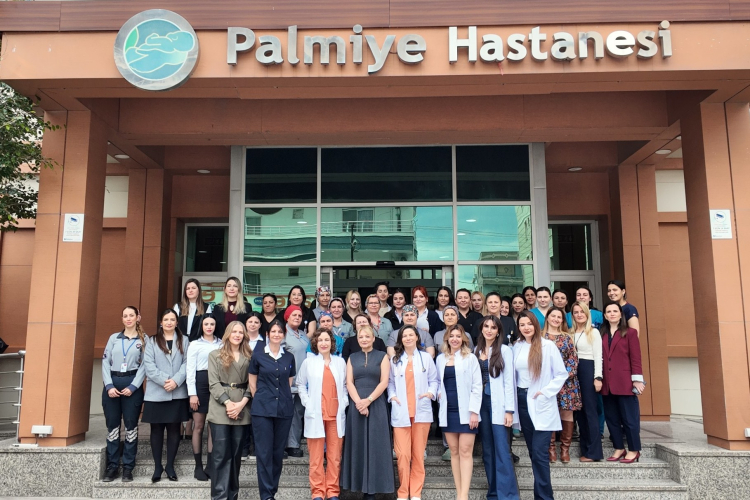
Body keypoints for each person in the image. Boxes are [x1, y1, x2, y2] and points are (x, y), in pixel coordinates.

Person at [512, 311, 567, 500]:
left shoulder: (547, 346)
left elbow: (561, 374)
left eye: (529, 323)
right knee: (533, 452)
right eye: (522, 324)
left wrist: (545, 391)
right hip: (522, 400)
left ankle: (544, 497)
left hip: (541, 401)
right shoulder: (516, 346)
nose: (526, 327)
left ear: (536, 324)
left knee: (539, 452)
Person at [341, 326, 394, 500]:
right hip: (356, 406)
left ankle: (372, 490)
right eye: (361, 337)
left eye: (367, 336)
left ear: (373, 338)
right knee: (358, 444)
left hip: (376, 404)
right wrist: (359, 402)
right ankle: (359, 486)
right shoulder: (352, 358)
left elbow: (384, 382)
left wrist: (368, 401)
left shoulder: (382, 356)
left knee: (376, 445)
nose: (364, 339)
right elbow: (349, 382)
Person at [296, 328, 349, 500]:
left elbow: (346, 385)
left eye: (327, 340)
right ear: (315, 343)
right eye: (320, 340)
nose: (324, 343)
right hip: (316, 413)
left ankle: (332, 491)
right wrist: (307, 402)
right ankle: (318, 492)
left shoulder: (340, 362)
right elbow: (300, 384)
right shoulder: (309, 362)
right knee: (316, 457)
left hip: (335, 414)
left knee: (334, 457)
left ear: (332, 343)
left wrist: (344, 401)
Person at [388, 325, 439, 500]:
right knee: (402, 455)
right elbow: (390, 383)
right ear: (401, 339)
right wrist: (392, 396)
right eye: (405, 336)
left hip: (421, 413)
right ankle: (403, 492)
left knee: (418, 454)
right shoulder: (395, 360)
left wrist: (430, 393)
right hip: (401, 411)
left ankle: (415, 492)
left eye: (411, 335)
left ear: (417, 337)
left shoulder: (426, 358)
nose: (408, 338)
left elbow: (434, 380)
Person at [248, 319, 296, 500]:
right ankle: (266, 495)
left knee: (277, 453)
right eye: (273, 331)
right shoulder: (258, 356)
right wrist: (263, 399)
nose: (276, 334)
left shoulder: (289, 357)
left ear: (284, 334)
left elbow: (288, 383)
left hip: (284, 410)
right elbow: (252, 384)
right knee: (264, 453)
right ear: (267, 334)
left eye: (280, 331)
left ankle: (272, 491)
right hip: (262, 411)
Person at [142, 309, 190, 482]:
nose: (169, 322)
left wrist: (176, 381)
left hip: (177, 392)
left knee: (174, 430)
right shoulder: (152, 341)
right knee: (156, 430)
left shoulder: (184, 340)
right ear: (161, 322)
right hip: (156, 393)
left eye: (172, 319)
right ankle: (157, 467)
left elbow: (187, 364)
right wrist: (165, 380)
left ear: (177, 323)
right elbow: (149, 366)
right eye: (166, 319)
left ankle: (170, 466)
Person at [436, 325, 483, 500]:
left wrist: (474, 412)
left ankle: (464, 495)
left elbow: (477, 386)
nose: (454, 339)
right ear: (447, 339)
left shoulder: (470, 358)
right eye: (451, 336)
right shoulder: (440, 359)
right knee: (454, 451)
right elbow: (437, 381)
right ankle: (458, 492)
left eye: (458, 336)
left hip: (467, 411)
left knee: (465, 451)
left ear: (463, 339)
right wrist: (438, 393)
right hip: (448, 411)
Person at [474, 316, 519, 500]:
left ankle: (508, 495)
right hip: (482, 405)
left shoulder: (505, 350)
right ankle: (493, 493)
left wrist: (509, 410)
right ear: (481, 329)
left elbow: (509, 382)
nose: (489, 330)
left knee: (501, 449)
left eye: (493, 327)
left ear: (498, 331)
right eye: (486, 326)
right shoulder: (476, 350)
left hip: (499, 404)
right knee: (487, 450)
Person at [101, 306, 147, 483]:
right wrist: (109, 386)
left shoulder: (143, 339)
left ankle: (128, 467)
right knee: (113, 427)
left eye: (131, 315)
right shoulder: (114, 338)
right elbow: (105, 362)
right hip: (113, 384)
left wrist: (134, 386)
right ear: (122, 319)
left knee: (131, 427)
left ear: (137, 317)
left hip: (132, 385)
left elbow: (145, 365)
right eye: (125, 316)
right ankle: (112, 466)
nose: (128, 318)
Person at [207, 321, 252, 500]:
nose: (237, 335)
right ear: (227, 334)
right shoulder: (215, 355)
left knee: (235, 456)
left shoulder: (250, 356)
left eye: (240, 332)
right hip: (220, 407)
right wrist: (228, 403)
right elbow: (213, 383)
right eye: (234, 331)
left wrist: (241, 404)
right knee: (220, 455)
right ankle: (219, 496)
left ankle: (232, 496)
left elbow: (253, 383)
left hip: (242, 407)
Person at [601, 302, 644, 464]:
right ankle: (619, 448)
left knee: (629, 419)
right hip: (607, 384)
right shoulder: (601, 333)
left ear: (620, 314)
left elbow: (636, 357)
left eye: (615, 311)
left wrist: (637, 379)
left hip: (625, 382)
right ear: (605, 316)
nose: (612, 314)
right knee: (611, 419)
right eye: (609, 311)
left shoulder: (630, 333)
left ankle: (634, 449)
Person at [541, 307, 581, 463]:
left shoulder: (567, 337)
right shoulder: (540, 336)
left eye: (559, 317)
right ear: (547, 317)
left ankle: (565, 449)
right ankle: (551, 449)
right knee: (550, 413)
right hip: (546, 383)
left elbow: (573, 359)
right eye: (553, 316)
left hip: (566, 382)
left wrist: (563, 377)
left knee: (566, 413)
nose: (556, 319)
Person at [186, 313, 222, 480]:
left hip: (217, 384)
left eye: (212, 324)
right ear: (201, 326)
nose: (209, 327)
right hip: (200, 384)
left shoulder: (222, 343)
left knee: (212, 426)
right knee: (199, 425)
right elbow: (190, 370)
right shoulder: (194, 344)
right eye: (206, 324)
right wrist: (192, 394)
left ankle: (210, 465)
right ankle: (198, 466)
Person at [570, 301, 604, 462]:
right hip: (574, 371)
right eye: (576, 312)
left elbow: (598, 356)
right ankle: (585, 449)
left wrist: (598, 377)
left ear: (587, 314)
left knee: (590, 411)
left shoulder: (593, 332)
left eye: (582, 312)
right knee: (580, 412)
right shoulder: (570, 332)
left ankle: (594, 452)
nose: (579, 315)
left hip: (588, 369)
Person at [282, 305, 310, 458]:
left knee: (298, 413)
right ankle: (282, 445)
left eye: (299, 316)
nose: (297, 318)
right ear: (287, 317)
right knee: (285, 413)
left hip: (302, 382)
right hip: (287, 381)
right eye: (294, 315)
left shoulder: (303, 334)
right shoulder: (282, 333)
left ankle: (293, 444)